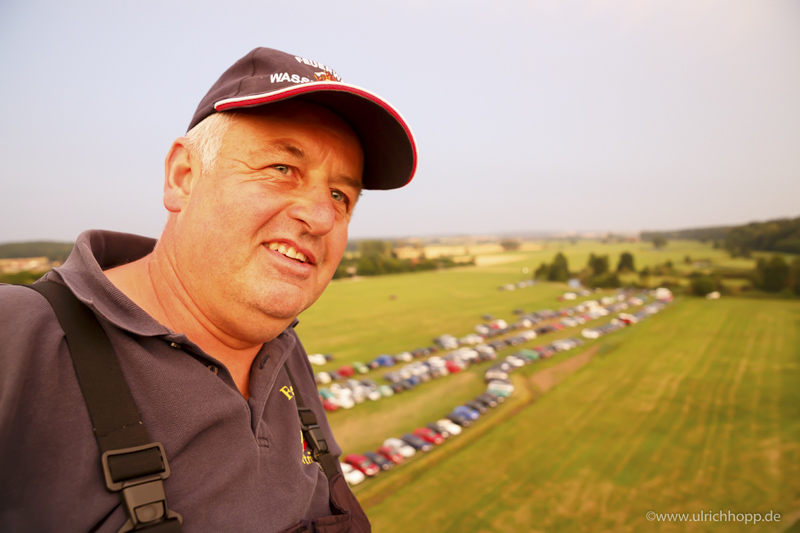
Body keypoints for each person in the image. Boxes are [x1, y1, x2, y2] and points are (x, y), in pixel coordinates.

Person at [0, 47, 417, 532]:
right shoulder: (17, 338)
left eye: (340, 195)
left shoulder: (284, 351)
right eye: (282, 169)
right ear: (183, 176)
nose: (322, 216)